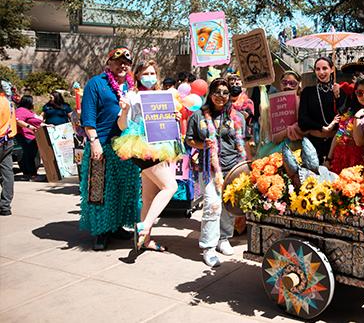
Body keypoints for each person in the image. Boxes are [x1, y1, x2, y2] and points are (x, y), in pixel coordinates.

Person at [112, 59, 184, 252]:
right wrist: (125, 110)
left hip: (162, 144)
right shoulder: (132, 95)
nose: (150, 77)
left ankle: (144, 241)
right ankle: (144, 226)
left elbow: (167, 123)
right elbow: (121, 127)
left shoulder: (162, 95)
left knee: (149, 197)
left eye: (153, 73)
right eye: (145, 73)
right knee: (170, 186)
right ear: (137, 75)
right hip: (142, 147)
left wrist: (174, 118)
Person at [79, 46, 141, 250]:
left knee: (124, 189)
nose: (122, 65)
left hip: (127, 147)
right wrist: (94, 141)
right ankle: (100, 231)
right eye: (118, 61)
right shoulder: (96, 84)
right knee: (99, 190)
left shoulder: (133, 88)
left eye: (126, 62)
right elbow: (87, 116)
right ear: (109, 63)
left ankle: (116, 226)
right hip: (103, 144)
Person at [186, 78, 247, 267]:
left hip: (233, 168)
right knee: (212, 206)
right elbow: (189, 140)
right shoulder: (197, 116)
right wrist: (203, 144)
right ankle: (209, 247)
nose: (221, 96)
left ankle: (223, 238)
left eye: (225, 92)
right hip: (209, 168)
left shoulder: (237, 116)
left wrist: (246, 165)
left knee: (229, 206)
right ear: (210, 93)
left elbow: (244, 142)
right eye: (217, 92)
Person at [298, 57, 346, 163]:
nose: (321, 72)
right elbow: (302, 121)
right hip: (313, 144)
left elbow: (344, 117)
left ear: (332, 69)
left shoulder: (340, 91)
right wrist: (321, 128)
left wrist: (338, 97)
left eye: (325, 68)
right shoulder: (307, 92)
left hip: (334, 144)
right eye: (318, 69)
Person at [327, 75, 364, 173]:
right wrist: (328, 159)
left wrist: (358, 117)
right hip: (340, 159)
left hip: (360, 162)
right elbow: (339, 134)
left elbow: (359, 142)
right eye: (359, 93)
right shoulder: (350, 111)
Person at [14, 95, 43, 180]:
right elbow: (18, 121)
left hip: (32, 136)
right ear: (28, 102)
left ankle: (33, 173)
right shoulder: (20, 110)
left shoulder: (29, 112)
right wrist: (29, 127)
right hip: (24, 136)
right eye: (32, 101)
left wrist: (46, 125)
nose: (33, 103)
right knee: (29, 155)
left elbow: (36, 122)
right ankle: (31, 174)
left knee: (34, 155)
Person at [0, 80, 17, 215]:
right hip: (8, 140)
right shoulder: (8, 102)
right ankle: (5, 206)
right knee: (7, 173)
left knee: (7, 173)